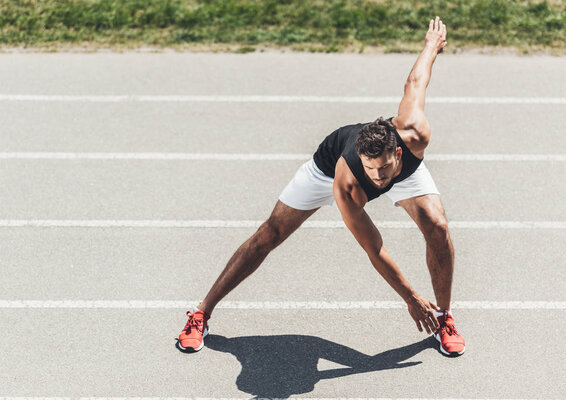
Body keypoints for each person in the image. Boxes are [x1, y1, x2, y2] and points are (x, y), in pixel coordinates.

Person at [177, 17, 465, 357]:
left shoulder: (415, 134)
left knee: (438, 226)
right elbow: (374, 249)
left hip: (407, 172)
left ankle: (445, 319)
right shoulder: (346, 184)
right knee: (268, 235)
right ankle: (201, 313)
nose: (378, 178)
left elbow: (416, 82)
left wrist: (431, 45)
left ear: (398, 152)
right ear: (361, 159)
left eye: (385, 168)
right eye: (371, 170)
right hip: (323, 172)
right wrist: (411, 298)